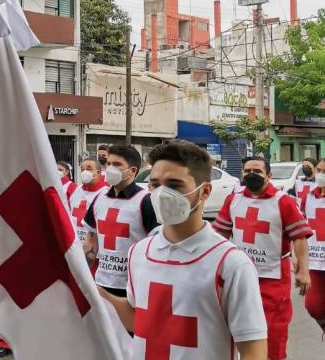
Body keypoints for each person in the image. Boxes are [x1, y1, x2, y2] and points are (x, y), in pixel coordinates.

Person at [101, 140, 268, 359]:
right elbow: (140, 318)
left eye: (174, 185)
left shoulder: (230, 263)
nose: (161, 194)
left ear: (205, 191)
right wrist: (95, 293)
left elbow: (252, 349)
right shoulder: (139, 252)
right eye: (155, 184)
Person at [213, 156, 312, 360]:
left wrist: (303, 271)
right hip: (238, 274)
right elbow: (220, 234)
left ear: (269, 175)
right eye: (247, 171)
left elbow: (300, 237)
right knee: (232, 325)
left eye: (257, 171)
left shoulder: (283, 201)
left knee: (273, 330)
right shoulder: (234, 199)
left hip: (273, 276)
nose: (251, 175)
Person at [83, 144, 158, 297]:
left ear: (132, 171)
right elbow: (91, 240)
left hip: (133, 287)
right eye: (109, 164)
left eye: (117, 165)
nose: (110, 168)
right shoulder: (99, 198)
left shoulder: (145, 201)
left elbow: (156, 247)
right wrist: (84, 276)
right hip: (101, 283)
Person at [299, 158, 325, 333]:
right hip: (315, 261)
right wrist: (298, 259)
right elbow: (299, 226)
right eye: (319, 170)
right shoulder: (308, 196)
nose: (320, 175)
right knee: (313, 305)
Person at [67, 158, 109, 246]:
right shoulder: (76, 190)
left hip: (93, 246)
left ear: (98, 173)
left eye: (89, 169)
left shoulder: (105, 193)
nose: (84, 172)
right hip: (76, 243)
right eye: (82, 169)